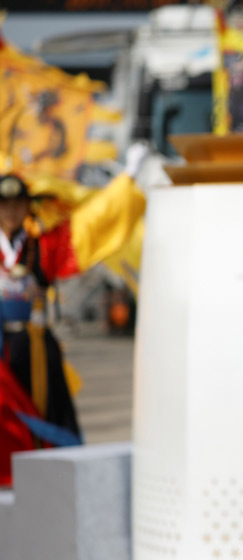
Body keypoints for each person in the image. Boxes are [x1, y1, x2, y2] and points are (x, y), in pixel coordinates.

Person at [0, 142, 147, 485]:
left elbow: (91, 225)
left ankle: (49, 482)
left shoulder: (44, 244)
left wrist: (128, 176)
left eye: (17, 203)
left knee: (48, 412)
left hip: (35, 345)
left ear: (27, 207)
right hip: (1, 348)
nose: (10, 211)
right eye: (4, 204)